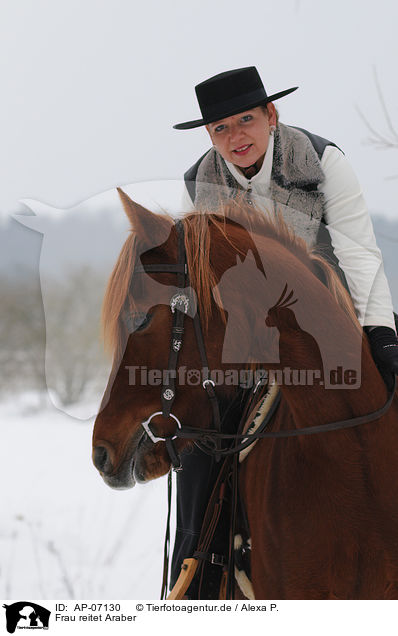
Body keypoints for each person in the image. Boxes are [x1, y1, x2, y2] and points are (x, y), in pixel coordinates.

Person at [170, 66, 398, 597]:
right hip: (249, 348)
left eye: (245, 120)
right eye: (221, 129)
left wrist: (380, 333)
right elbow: (204, 285)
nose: (236, 138)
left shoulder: (321, 161)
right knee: (203, 441)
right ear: (209, 136)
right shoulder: (200, 182)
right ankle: (198, 572)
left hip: (336, 326)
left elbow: (359, 252)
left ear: (271, 115)